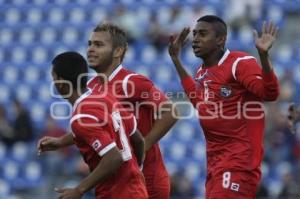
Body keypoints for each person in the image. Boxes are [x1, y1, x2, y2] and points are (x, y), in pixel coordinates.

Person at [38, 23, 178, 199]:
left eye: (99, 45)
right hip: (119, 180)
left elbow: (171, 112)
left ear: (118, 51)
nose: (90, 49)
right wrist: (61, 142)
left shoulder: (132, 81)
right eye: (90, 44)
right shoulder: (91, 87)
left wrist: (144, 145)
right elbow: (93, 126)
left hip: (148, 175)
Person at [168, 15, 279, 198]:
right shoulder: (202, 72)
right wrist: (176, 60)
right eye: (194, 34)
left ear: (221, 39)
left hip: (239, 164)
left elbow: (270, 93)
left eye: (202, 34)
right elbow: (200, 103)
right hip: (215, 165)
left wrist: (264, 56)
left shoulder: (239, 63)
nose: (195, 39)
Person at [41, 51, 148, 199]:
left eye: (54, 79)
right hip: (137, 190)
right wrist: (137, 169)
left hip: (115, 194)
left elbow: (114, 157)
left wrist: (79, 190)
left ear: (60, 82)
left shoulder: (81, 117)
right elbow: (138, 139)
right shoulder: (105, 96)